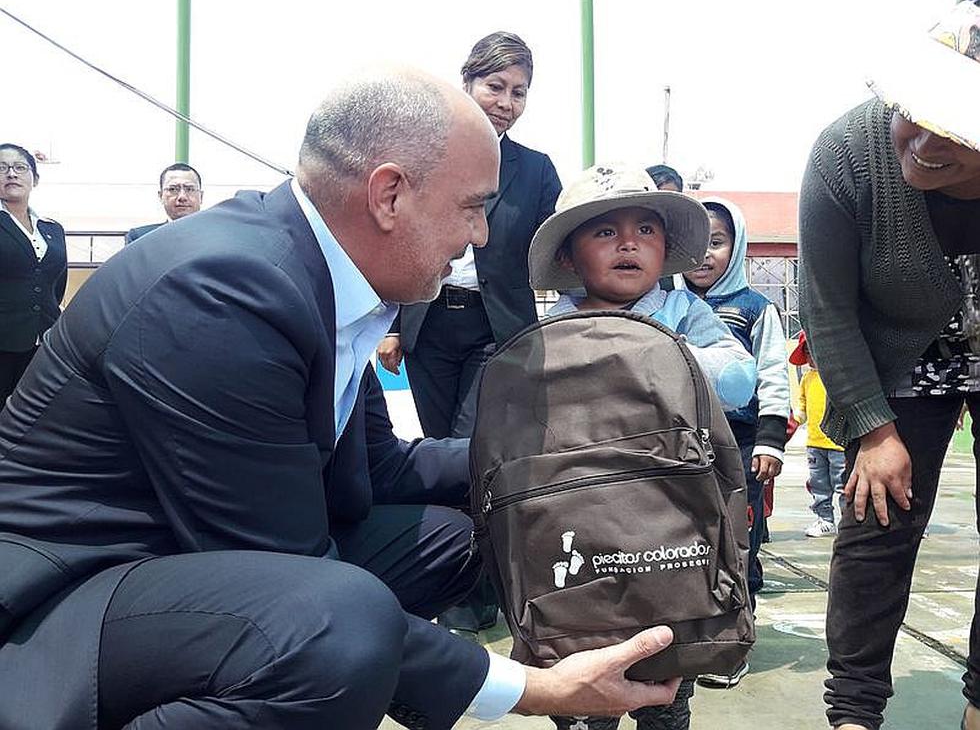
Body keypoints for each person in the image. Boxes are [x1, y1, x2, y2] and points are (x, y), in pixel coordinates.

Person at [0, 70, 683, 730]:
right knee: (339, 626)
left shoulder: (329, 286)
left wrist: (550, 459)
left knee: (460, 532)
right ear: (390, 196)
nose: (480, 236)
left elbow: (379, 468)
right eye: (474, 207)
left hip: (177, 557)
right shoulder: (222, 291)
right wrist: (538, 689)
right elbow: (292, 567)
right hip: (59, 608)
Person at [797, 0, 980, 729]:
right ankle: (854, 711)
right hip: (894, 354)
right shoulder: (848, 151)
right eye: (916, 115)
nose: (926, 143)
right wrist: (873, 429)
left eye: (957, 128)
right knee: (879, 520)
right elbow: (826, 306)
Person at [528, 163, 757, 730]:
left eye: (646, 230)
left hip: (671, 518)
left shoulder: (684, 314)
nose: (628, 243)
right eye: (605, 231)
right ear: (567, 257)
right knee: (585, 665)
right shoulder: (551, 333)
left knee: (667, 670)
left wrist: (649, 353)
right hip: (582, 521)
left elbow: (738, 379)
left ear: (664, 249)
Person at [379, 30, 562, 637]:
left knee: (477, 448)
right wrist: (389, 320)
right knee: (434, 449)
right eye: (496, 86)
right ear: (467, 84)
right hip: (428, 321)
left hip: (499, 329)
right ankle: (446, 575)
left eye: (519, 92)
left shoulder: (536, 172)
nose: (507, 101)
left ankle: (477, 589)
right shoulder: (425, 153)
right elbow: (393, 235)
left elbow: (554, 250)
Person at [672, 196, 790, 689]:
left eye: (716, 242)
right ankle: (694, 640)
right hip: (682, 443)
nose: (705, 254)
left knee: (739, 544)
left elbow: (773, 376)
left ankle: (732, 645)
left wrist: (769, 442)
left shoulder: (756, 309)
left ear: (736, 246)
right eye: (696, 243)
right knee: (690, 544)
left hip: (739, 444)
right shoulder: (670, 305)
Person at [0, 143, 67, 405]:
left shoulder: (52, 228)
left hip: (46, 341)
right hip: (3, 341)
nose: (11, 174)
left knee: (37, 414)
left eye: (20, 167)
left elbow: (56, 285)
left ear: (35, 179)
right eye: (2, 168)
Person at [790, 331, 846, 537]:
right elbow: (802, 405)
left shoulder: (838, 376)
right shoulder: (807, 378)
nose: (810, 356)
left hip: (839, 444)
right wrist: (795, 419)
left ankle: (847, 522)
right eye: (806, 352)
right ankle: (825, 519)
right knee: (819, 483)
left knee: (842, 484)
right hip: (814, 442)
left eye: (813, 350)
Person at [124, 162, 203, 243]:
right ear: (161, 196)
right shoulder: (140, 238)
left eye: (189, 189)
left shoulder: (215, 235)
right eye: (173, 189)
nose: (182, 197)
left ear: (201, 196)